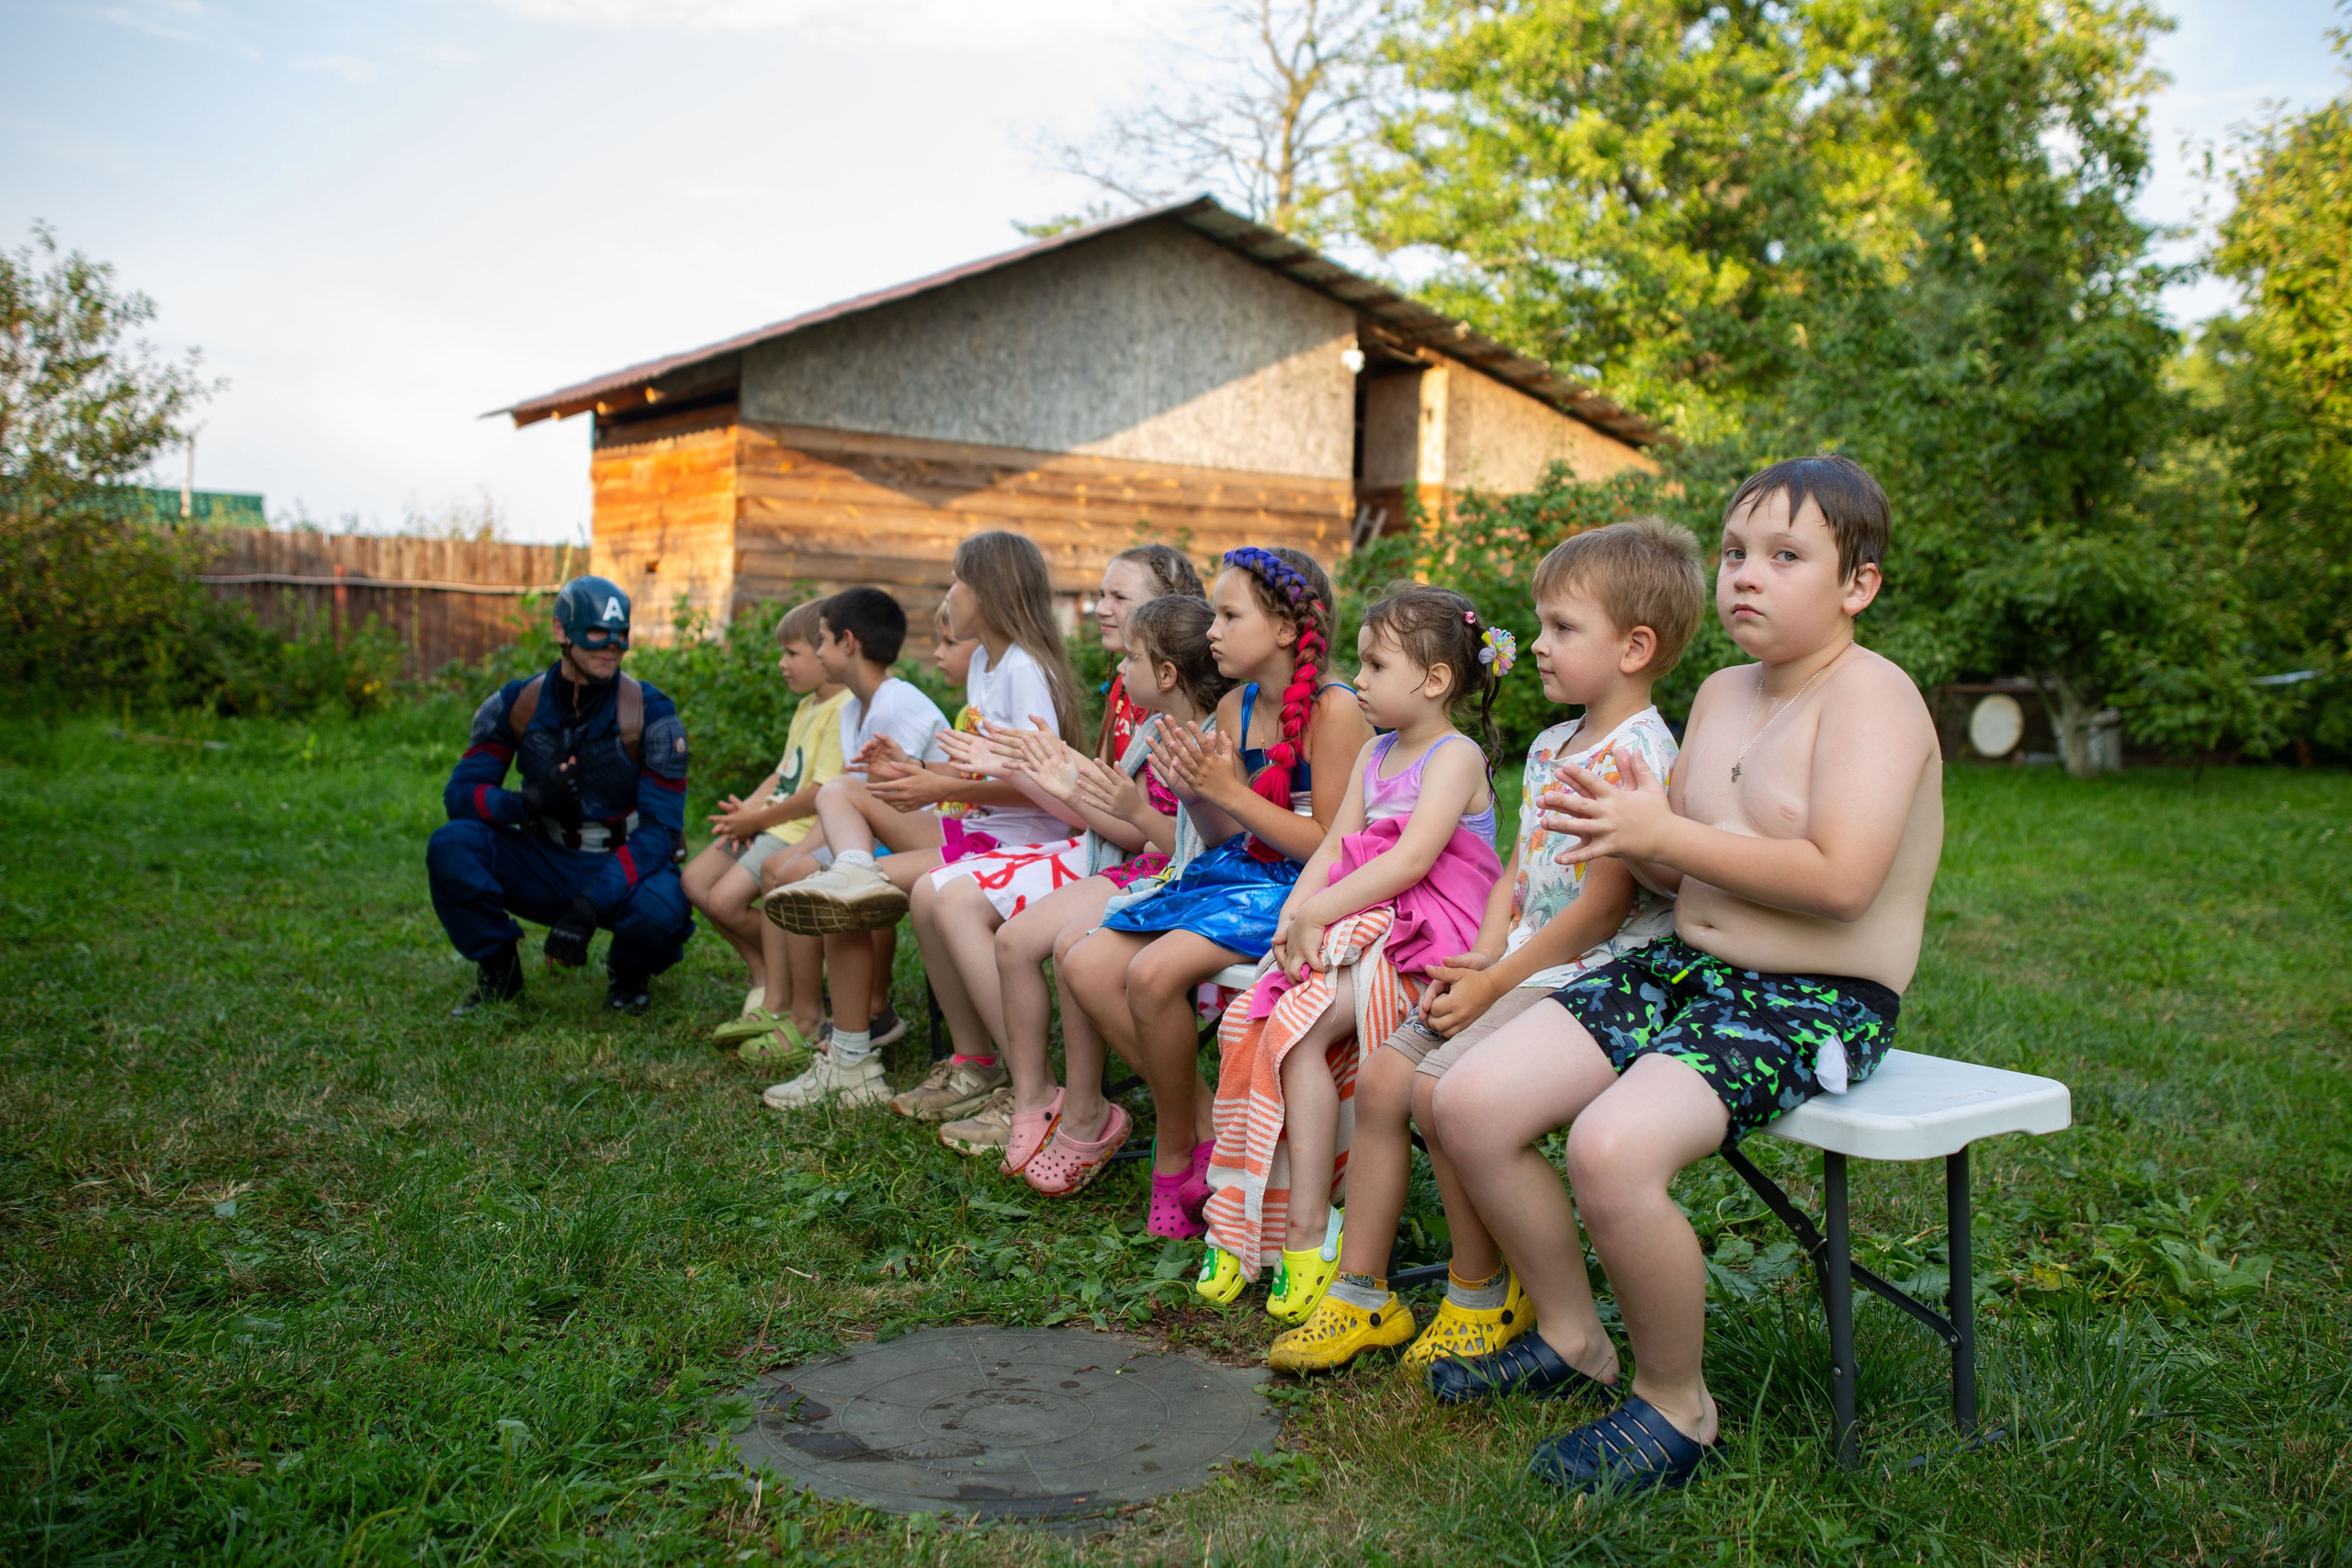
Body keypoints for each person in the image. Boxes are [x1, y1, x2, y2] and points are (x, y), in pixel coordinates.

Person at [1433, 456, 1944, 1497]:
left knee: (1611, 1148)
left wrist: (1662, 829)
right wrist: (1624, 833)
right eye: (1736, 554)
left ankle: (1678, 1408)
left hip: (1815, 996)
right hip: (1688, 966)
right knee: (1466, 1101)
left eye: (1786, 557)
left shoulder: (1874, 700)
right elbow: (1680, 862)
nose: (1747, 577)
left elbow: (1841, 882)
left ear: (1858, 585)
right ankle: (1575, 1341)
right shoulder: (1718, 692)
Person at [1264, 518, 1702, 1375]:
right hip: (1528, 957)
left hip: (1592, 972)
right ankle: (1362, 1290)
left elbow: (1604, 911)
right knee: (1391, 1074)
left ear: (1634, 647)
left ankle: (1480, 1287)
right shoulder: (1552, 743)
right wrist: (1485, 954)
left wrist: (1499, 976)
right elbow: (1518, 873)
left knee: (1437, 1085)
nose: (1536, 645)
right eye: (1539, 625)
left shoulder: (1640, 757)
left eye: (1562, 628)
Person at [1193, 585, 1504, 1329]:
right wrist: (1295, 913)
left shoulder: (1455, 756)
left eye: (1374, 663)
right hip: (1366, 918)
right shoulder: (1373, 751)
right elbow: (1334, 847)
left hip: (1431, 934)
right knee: (1272, 1026)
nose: (1355, 678)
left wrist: (1324, 912)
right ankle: (1302, 1223)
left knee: (1296, 1019)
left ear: (1433, 680)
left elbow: (1414, 858)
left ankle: (1308, 1228)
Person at [1060, 547, 1373, 1238]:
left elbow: (1331, 844)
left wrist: (1229, 791)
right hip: (1241, 873)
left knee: (1151, 972)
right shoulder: (1236, 704)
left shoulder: (1337, 710)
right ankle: (1202, 1125)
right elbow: (1230, 833)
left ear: (1288, 629)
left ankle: (1178, 1151)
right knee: (1086, 962)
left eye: (1230, 615)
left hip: (1308, 889)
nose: (1213, 631)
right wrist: (1196, 794)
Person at [890, 550, 1212, 1134]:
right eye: (1101, 594)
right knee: (936, 895)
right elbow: (1115, 811)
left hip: (1118, 859)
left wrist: (1027, 772)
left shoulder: (1189, 722)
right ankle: (1015, 1083)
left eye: (1118, 597)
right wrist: (1040, 771)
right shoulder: (1132, 698)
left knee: (961, 902)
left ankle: (1064, 1098)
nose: (1100, 608)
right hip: (1113, 851)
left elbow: (1144, 826)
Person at [763, 536, 1088, 1109]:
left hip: (1028, 843)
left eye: (956, 580)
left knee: (881, 898)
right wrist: (915, 769)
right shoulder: (986, 665)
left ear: (986, 592)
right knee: (843, 792)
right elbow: (983, 769)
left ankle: (982, 1072)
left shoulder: (1024, 670)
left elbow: (1046, 790)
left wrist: (943, 786)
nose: (949, 595)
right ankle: (856, 875)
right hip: (980, 832)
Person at [426, 575, 694, 1016]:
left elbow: (660, 833)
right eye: (596, 633)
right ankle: (500, 975)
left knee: (661, 911)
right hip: (544, 857)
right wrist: (525, 803)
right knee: (452, 846)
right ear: (559, 631)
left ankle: (628, 975)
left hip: (624, 861)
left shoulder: (653, 713)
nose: (611, 645)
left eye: (620, 635)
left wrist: (587, 908)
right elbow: (460, 796)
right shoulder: (515, 704)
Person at [690, 596, 850, 1045]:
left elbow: (819, 793)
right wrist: (746, 814)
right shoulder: (807, 707)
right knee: (694, 882)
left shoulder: (841, 710)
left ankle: (785, 989)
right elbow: (783, 772)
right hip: (769, 824)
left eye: (793, 653)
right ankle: (766, 969)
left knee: (723, 902)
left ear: (825, 653)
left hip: (794, 831)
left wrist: (757, 822)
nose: (783, 663)